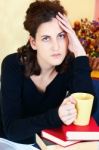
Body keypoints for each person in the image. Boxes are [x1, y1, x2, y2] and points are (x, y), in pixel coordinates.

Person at [1, 0, 95, 144]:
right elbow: (13, 130)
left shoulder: (69, 65)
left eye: (61, 36)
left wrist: (80, 53)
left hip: (47, 145)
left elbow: (88, 110)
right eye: (46, 38)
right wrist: (56, 116)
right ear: (33, 42)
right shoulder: (12, 65)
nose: (56, 47)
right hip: (9, 142)